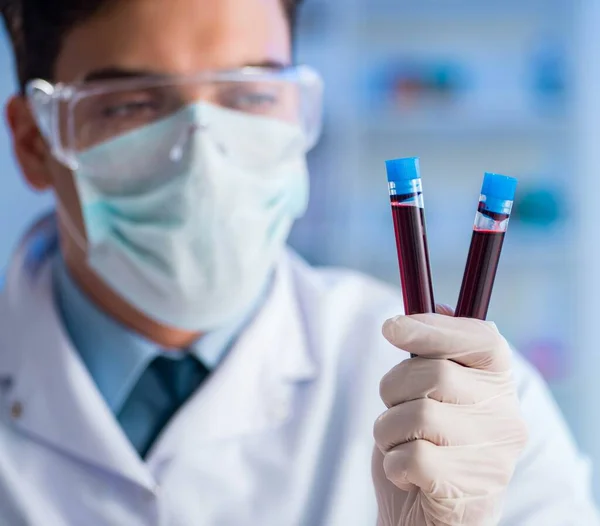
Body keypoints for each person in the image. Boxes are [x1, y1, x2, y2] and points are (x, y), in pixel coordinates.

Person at [0, 0, 596, 524]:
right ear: (34, 142)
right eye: (131, 105)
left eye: (252, 94)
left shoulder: (468, 405)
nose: (204, 161)